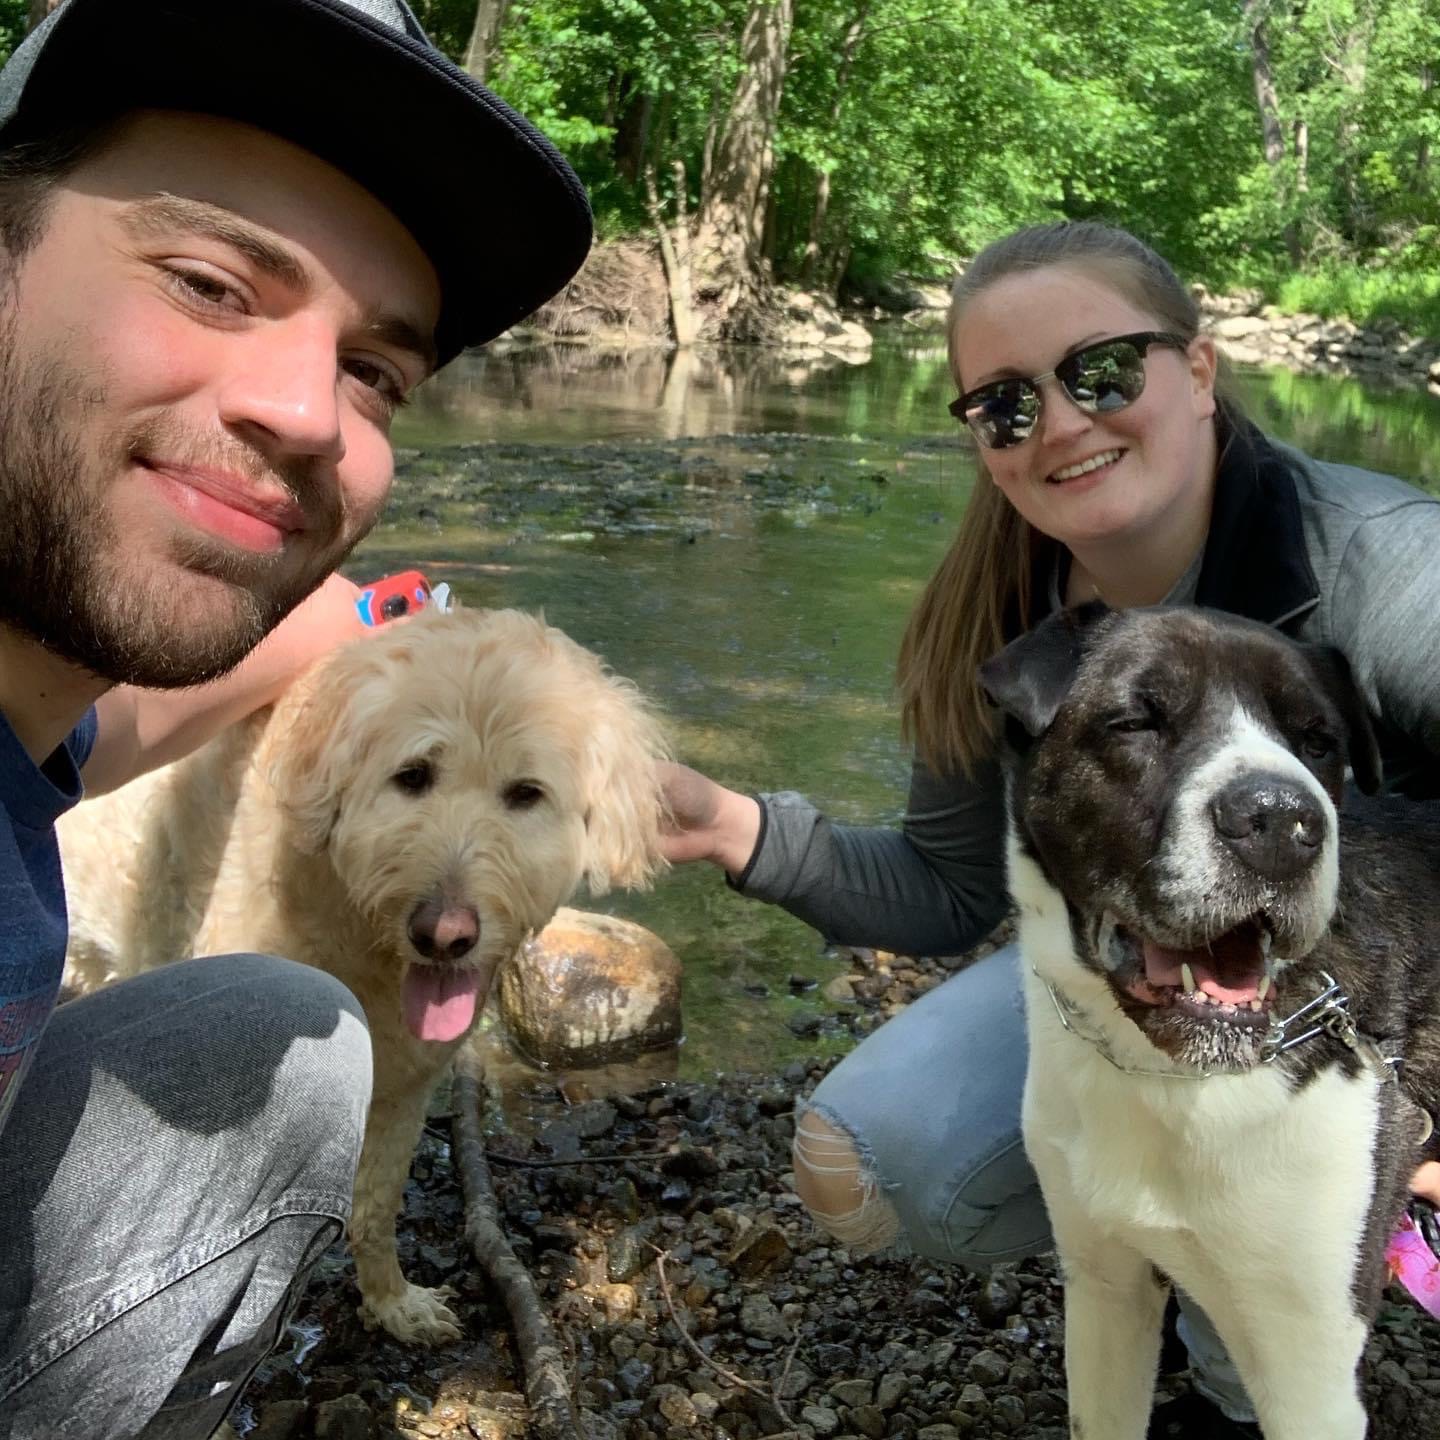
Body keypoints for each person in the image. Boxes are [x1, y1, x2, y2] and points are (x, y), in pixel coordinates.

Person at [662, 219, 1440, 1439]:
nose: (1062, 425)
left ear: (1198, 369)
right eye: (1006, 405)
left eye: (1102, 371)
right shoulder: (1002, 610)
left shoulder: (1389, 576)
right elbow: (947, 887)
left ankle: (1280, 1278)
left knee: (1269, 1361)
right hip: (1158, 957)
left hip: (1372, 975)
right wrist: (735, 829)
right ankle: (1180, 1248)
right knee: (881, 1154)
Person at [0, 2, 591, 1436]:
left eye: (375, 371)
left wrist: (370, 622)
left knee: (283, 1032)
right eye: (209, 280)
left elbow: (104, 734)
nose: (307, 416)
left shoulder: (30, 732)